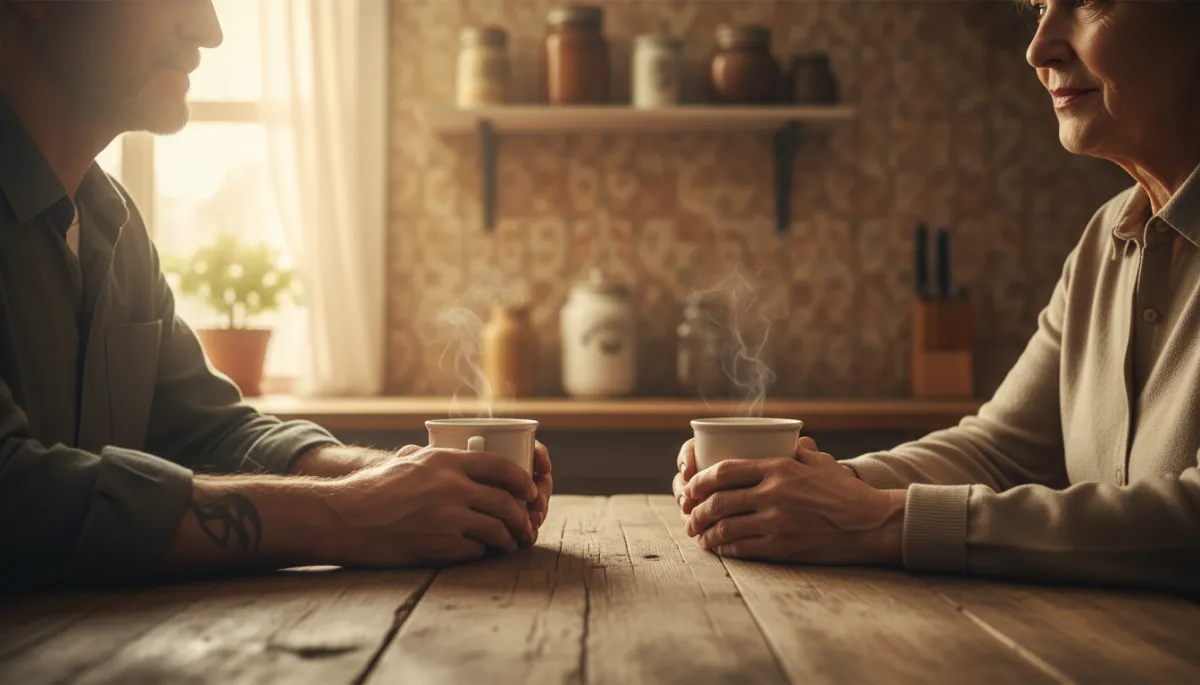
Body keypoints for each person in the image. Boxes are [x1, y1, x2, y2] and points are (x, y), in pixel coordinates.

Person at [0, 1, 552, 592]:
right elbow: (16, 493)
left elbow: (209, 431)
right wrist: (350, 515)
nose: (208, 31)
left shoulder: (114, 224)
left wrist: (400, 477)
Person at [674, 0, 1200, 593]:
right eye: (1038, 8)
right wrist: (807, 485)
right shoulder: (1106, 238)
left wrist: (881, 521)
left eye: (1088, 5)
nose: (1037, 50)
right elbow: (999, 452)